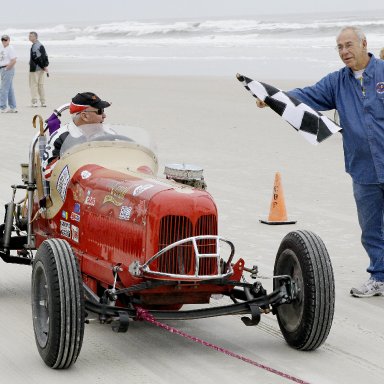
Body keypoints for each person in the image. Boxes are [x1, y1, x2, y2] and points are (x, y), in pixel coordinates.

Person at [257, 26, 384, 298]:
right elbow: (304, 96)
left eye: (349, 45)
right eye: (339, 47)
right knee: (371, 228)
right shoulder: (336, 82)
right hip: (363, 168)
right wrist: (270, 98)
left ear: (364, 43)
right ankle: (379, 277)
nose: (344, 52)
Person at [42, 92, 111, 179]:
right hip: (76, 186)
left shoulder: (108, 133)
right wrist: (71, 158)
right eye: (100, 111)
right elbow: (46, 174)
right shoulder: (59, 137)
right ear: (85, 116)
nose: (104, 116)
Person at [29, 31, 49, 107]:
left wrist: (43, 66)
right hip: (41, 68)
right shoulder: (41, 45)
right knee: (41, 85)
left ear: (35, 37)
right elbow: (45, 56)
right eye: (29, 36)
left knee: (34, 85)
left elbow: (36, 57)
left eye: (31, 36)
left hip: (35, 68)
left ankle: (34, 102)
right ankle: (43, 102)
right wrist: (45, 66)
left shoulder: (35, 46)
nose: (29, 37)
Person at [0, 34, 17, 113]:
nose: (4, 41)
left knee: (4, 89)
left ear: (9, 40)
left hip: (7, 69)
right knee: (9, 89)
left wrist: (7, 68)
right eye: (2, 40)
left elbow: (13, 60)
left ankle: (3, 107)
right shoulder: (3, 48)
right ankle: (13, 107)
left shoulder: (10, 48)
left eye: (6, 40)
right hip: (3, 69)